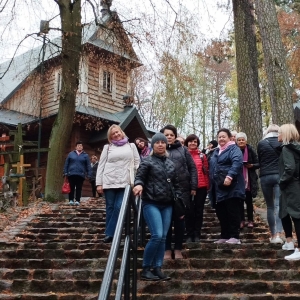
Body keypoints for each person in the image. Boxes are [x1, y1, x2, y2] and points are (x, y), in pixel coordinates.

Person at [133, 132, 182, 280]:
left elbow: (177, 184)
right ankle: (146, 268)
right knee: (157, 235)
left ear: (166, 144)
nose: (160, 144)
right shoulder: (147, 161)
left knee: (163, 237)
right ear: (153, 145)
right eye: (157, 142)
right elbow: (139, 177)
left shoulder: (170, 163)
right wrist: (138, 185)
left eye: (163, 142)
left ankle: (158, 268)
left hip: (167, 204)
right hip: (151, 202)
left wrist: (179, 198)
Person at [96, 124, 140, 243]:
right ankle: (110, 234)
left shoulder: (131, 146)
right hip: (109, 180)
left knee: (119, 206)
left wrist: (138, 180)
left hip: (125, 180)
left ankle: (110, 233)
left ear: (122, 132)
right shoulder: (107, 147)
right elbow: (101, 165)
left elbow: (137, 163)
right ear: (111, 137)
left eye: (117, 132)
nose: (116, 134)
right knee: (110, 207)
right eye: (113, 134)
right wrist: (98, 183)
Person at [160, 125, 198, 259]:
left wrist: (193, 187)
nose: (169, 137)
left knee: (180, 220)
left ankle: (178, 248)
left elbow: (192, 168)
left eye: (171, 134)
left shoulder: (183, 150)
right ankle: (166, 249)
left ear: (175, 136)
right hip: (163, 191)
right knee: (166, 221)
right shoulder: (159, 150)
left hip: (182, 190)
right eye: (166, 134)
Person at [209, 128, 245, 244]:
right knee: (221, 212)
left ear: (229, 138)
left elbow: (237, 163)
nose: (221, 139)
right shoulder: (215, 152)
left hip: (232, 186)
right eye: (219, 137)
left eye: (224, 136)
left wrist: (229, 176)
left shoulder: (234, 149)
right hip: (218, 187)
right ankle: (225, 235)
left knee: (232, 211)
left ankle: (235, 236)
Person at [257, 124, 283, 244]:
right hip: (279, 175)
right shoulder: (281, 142)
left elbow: (260, 161)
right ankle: (279, 234)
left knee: (270, 206)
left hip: (265, 176)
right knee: (278, 205)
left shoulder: (261, 143)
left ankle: (272, 235)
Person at [278, 124, 300, 260]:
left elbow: (290, 168)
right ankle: (290, 243)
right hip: (295, 185)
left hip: (291, 187)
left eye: (279, 133)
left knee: (297, 216)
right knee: (288, 213)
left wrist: (282, 180)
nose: (277, 136)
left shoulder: (287, 149)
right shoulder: (296, 148)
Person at [184, 134, 209, 242]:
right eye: (190, 141)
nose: (192, 143)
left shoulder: (202, 156)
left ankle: (197, 234)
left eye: (195, 141)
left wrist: (207, 186)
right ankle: (189, 234)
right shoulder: (183, 155)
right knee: (189, 211)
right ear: (187, 143)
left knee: (199, 211)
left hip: (201, 187)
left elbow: (206, 171)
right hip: (187, 187)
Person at [236, 132, 259, 229]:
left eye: (243, 140)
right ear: (236, 141)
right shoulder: (234, 150)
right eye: (239, 140)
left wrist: (252, 166)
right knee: (239, 202)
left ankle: (250, 220)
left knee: (249, 202)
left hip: (249, 180)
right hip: (238, 180)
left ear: (246, 141)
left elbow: (258, 163)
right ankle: (241, 220)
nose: (241, 141)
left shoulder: (250, 150)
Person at [63, 141, 92, 205]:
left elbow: (88, 165)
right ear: (76, 147)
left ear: (82, 147)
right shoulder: (71, 154)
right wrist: (65, 172)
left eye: (81, 146)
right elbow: (66, 163)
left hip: (81, 174)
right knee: (71, 187)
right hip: (71, 173)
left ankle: (77, 200)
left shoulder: (85, 155)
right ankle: (71, 200)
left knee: (79, 187)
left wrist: (89, 174)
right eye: (78, 145)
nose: (80, 147)